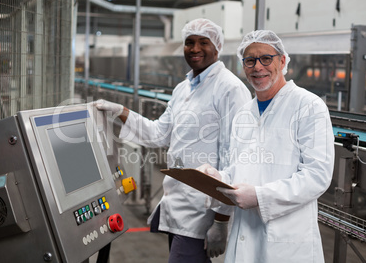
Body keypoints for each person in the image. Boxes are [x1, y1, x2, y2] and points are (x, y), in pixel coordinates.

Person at [95, 18, 251, 262]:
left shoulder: (230, 89)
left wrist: (221, 219)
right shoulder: (183, 89)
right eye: (189, 42)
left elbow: (235, 156)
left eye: (203, 42)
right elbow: (158, 133)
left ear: (217, 47)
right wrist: (121, 112)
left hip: (203, 210)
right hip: (178, 203)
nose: (195, 48)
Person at [197, 30, 335, 262]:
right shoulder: (243, 114)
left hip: (286, 242)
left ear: (282, 61)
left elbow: (317, 176)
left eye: (266, 58)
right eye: (250, 60)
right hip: (243, 236)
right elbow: (238, 169)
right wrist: (217, 177)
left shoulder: (308, 106)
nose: (257, 67)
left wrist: (261, 197)